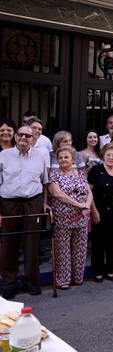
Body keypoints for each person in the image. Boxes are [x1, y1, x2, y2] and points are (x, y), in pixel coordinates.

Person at [0, 126, 48, 299]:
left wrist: (45, 203)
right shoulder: (3, 155)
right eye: (21, 134)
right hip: (8, 204)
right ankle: (9, 283)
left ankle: (30, 281)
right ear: (16, 135)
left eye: (28, 135)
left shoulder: (40, 156)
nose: (24, 138)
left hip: (32, 203)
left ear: (33, 139)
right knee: (9, 245)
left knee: (31, 244)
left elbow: (45, 183)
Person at [47, 146, 93, 289]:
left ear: (73, 159)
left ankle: (78, 278)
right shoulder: (54, 175)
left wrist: (87, 205)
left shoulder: (80, 173)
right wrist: (78, 204)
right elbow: (57, 194)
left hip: (82, 217)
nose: (63, 160)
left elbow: (89, 192)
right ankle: (63, 280)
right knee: (63, 250)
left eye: (66, 157)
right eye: (60, 158)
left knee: (80, 249)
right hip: (63, 218)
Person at [87, 143, 113, 284]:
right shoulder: (96, 170)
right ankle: (97, 272)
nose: (111, 157)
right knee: (98, 243)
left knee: (112, 243)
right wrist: (94, 210)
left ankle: (110, 270)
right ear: (103, 155)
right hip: (99, 212)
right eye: (108, 154)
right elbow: (88, 191)